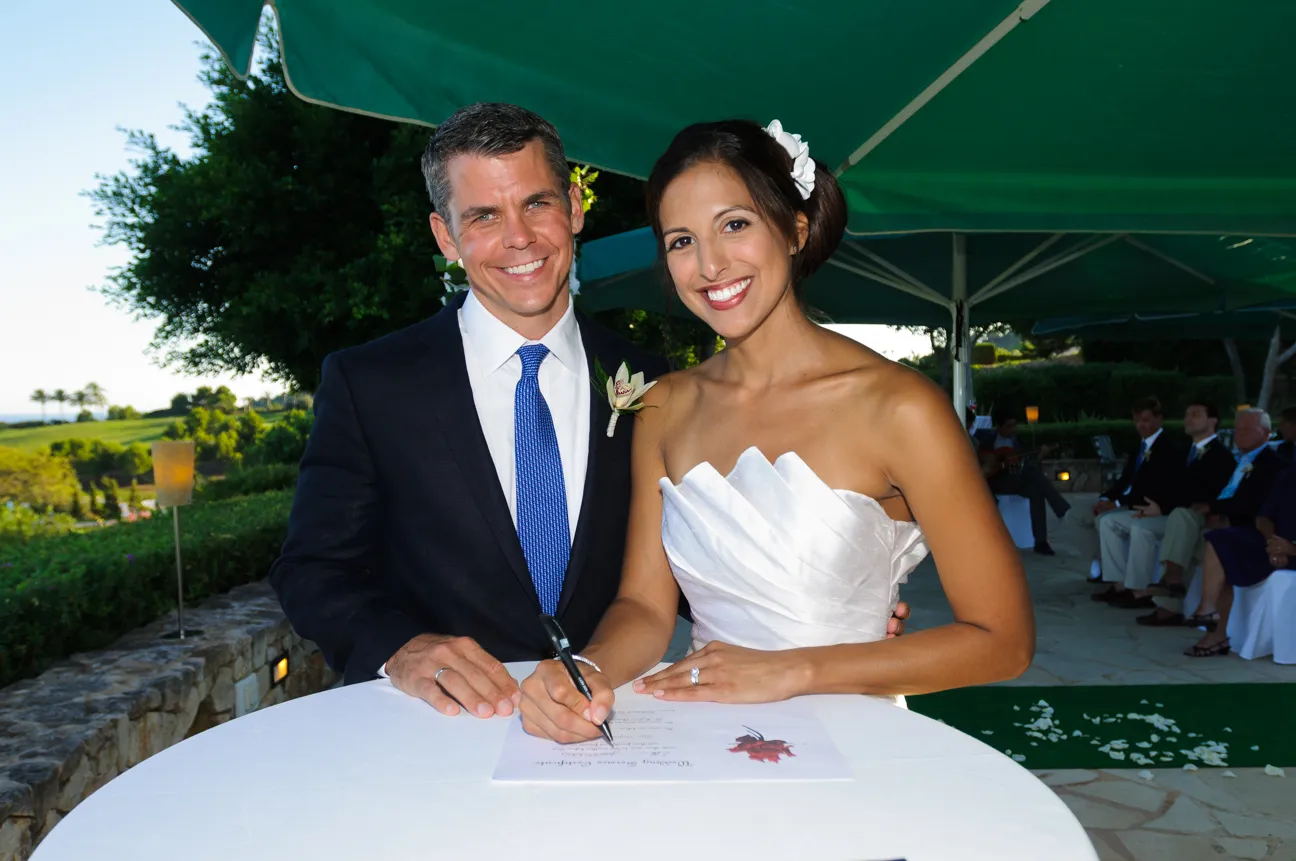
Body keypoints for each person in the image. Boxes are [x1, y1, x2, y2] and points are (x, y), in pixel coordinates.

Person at [268, 104, 908, 720]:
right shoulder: (370, 382)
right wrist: (401, 651)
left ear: (574, 207)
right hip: (442, 733)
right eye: (484, 215)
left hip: (623, 720)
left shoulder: (656, 385)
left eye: (537, 203)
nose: (518, 237)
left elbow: (683, 560)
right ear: (446, 236)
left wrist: (823, 589)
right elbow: (312, 570)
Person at [518, 119, 1034, 744]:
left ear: (794, 228)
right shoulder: (663, 406)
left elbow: (1004, 642)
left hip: (852, 738)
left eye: (734, 224)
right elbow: (647, 608)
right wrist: (590, 670)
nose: (709, 265)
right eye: (681, 240)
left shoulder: (900, 409)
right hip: (706, 731)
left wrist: (793, 670)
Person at [1140, 409, 1288, 625]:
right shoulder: (1237, 459)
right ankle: (1171, 589)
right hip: (1221, 519)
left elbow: (1255, 504)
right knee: (1182, 520)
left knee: (1188, 528)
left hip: (1245, 527)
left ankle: (1172, 589)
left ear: (1266, 433)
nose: (1240, 434)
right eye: (1238, 430)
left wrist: (1215, 508)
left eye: (1247, 430)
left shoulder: (1273, 465)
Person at [1069, 397, 1185, 606]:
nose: (1141, 425)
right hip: (1127, 501)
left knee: (1106, 521)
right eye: (1137, 420)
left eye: (1146, 420)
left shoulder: (1169, 448)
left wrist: (1117, 503)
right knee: (1077, 515)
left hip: (1145, 505)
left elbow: (1152, 488)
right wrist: (1106, 497)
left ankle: (1128, 585)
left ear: (1159, 419)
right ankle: (1109, 571)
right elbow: (1125, 479)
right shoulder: (1139, 446)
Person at [1116, 402, 1235, 606]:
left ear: (1213, 421)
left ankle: (1171, 581)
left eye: (1195, 415)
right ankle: (1137, 589)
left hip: (1198, 516)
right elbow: (1168, 486)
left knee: (1179, 517)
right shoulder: (1183, 453)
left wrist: (1163, 507)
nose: (1187, 419)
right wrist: (1156, 505)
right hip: (1174, 512)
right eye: (1186, 415)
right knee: (1141, 527)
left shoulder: (1221, 456)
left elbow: (1207, 494)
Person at [1181, 465, 1296, 657]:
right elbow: (1263, 517)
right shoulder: (1289, 475)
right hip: (1274, 544)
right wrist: (1272, 543)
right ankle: (1210, 615)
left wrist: (1291, 548)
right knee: (1221, 540)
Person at [972, 411, 1071, 555]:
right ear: (998, 426)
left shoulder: (1017, 441)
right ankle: (1063, 510)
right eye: (1008, 426)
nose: (1013, 429)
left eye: (1014, 425)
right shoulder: (984, 437)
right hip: (993, 481)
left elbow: (1027, 464)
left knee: (1037, 489)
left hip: (1015, 478)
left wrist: (1040, 456)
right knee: (1036, 476)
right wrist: (991, 460)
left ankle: (1040, 542)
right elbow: (976, 455)